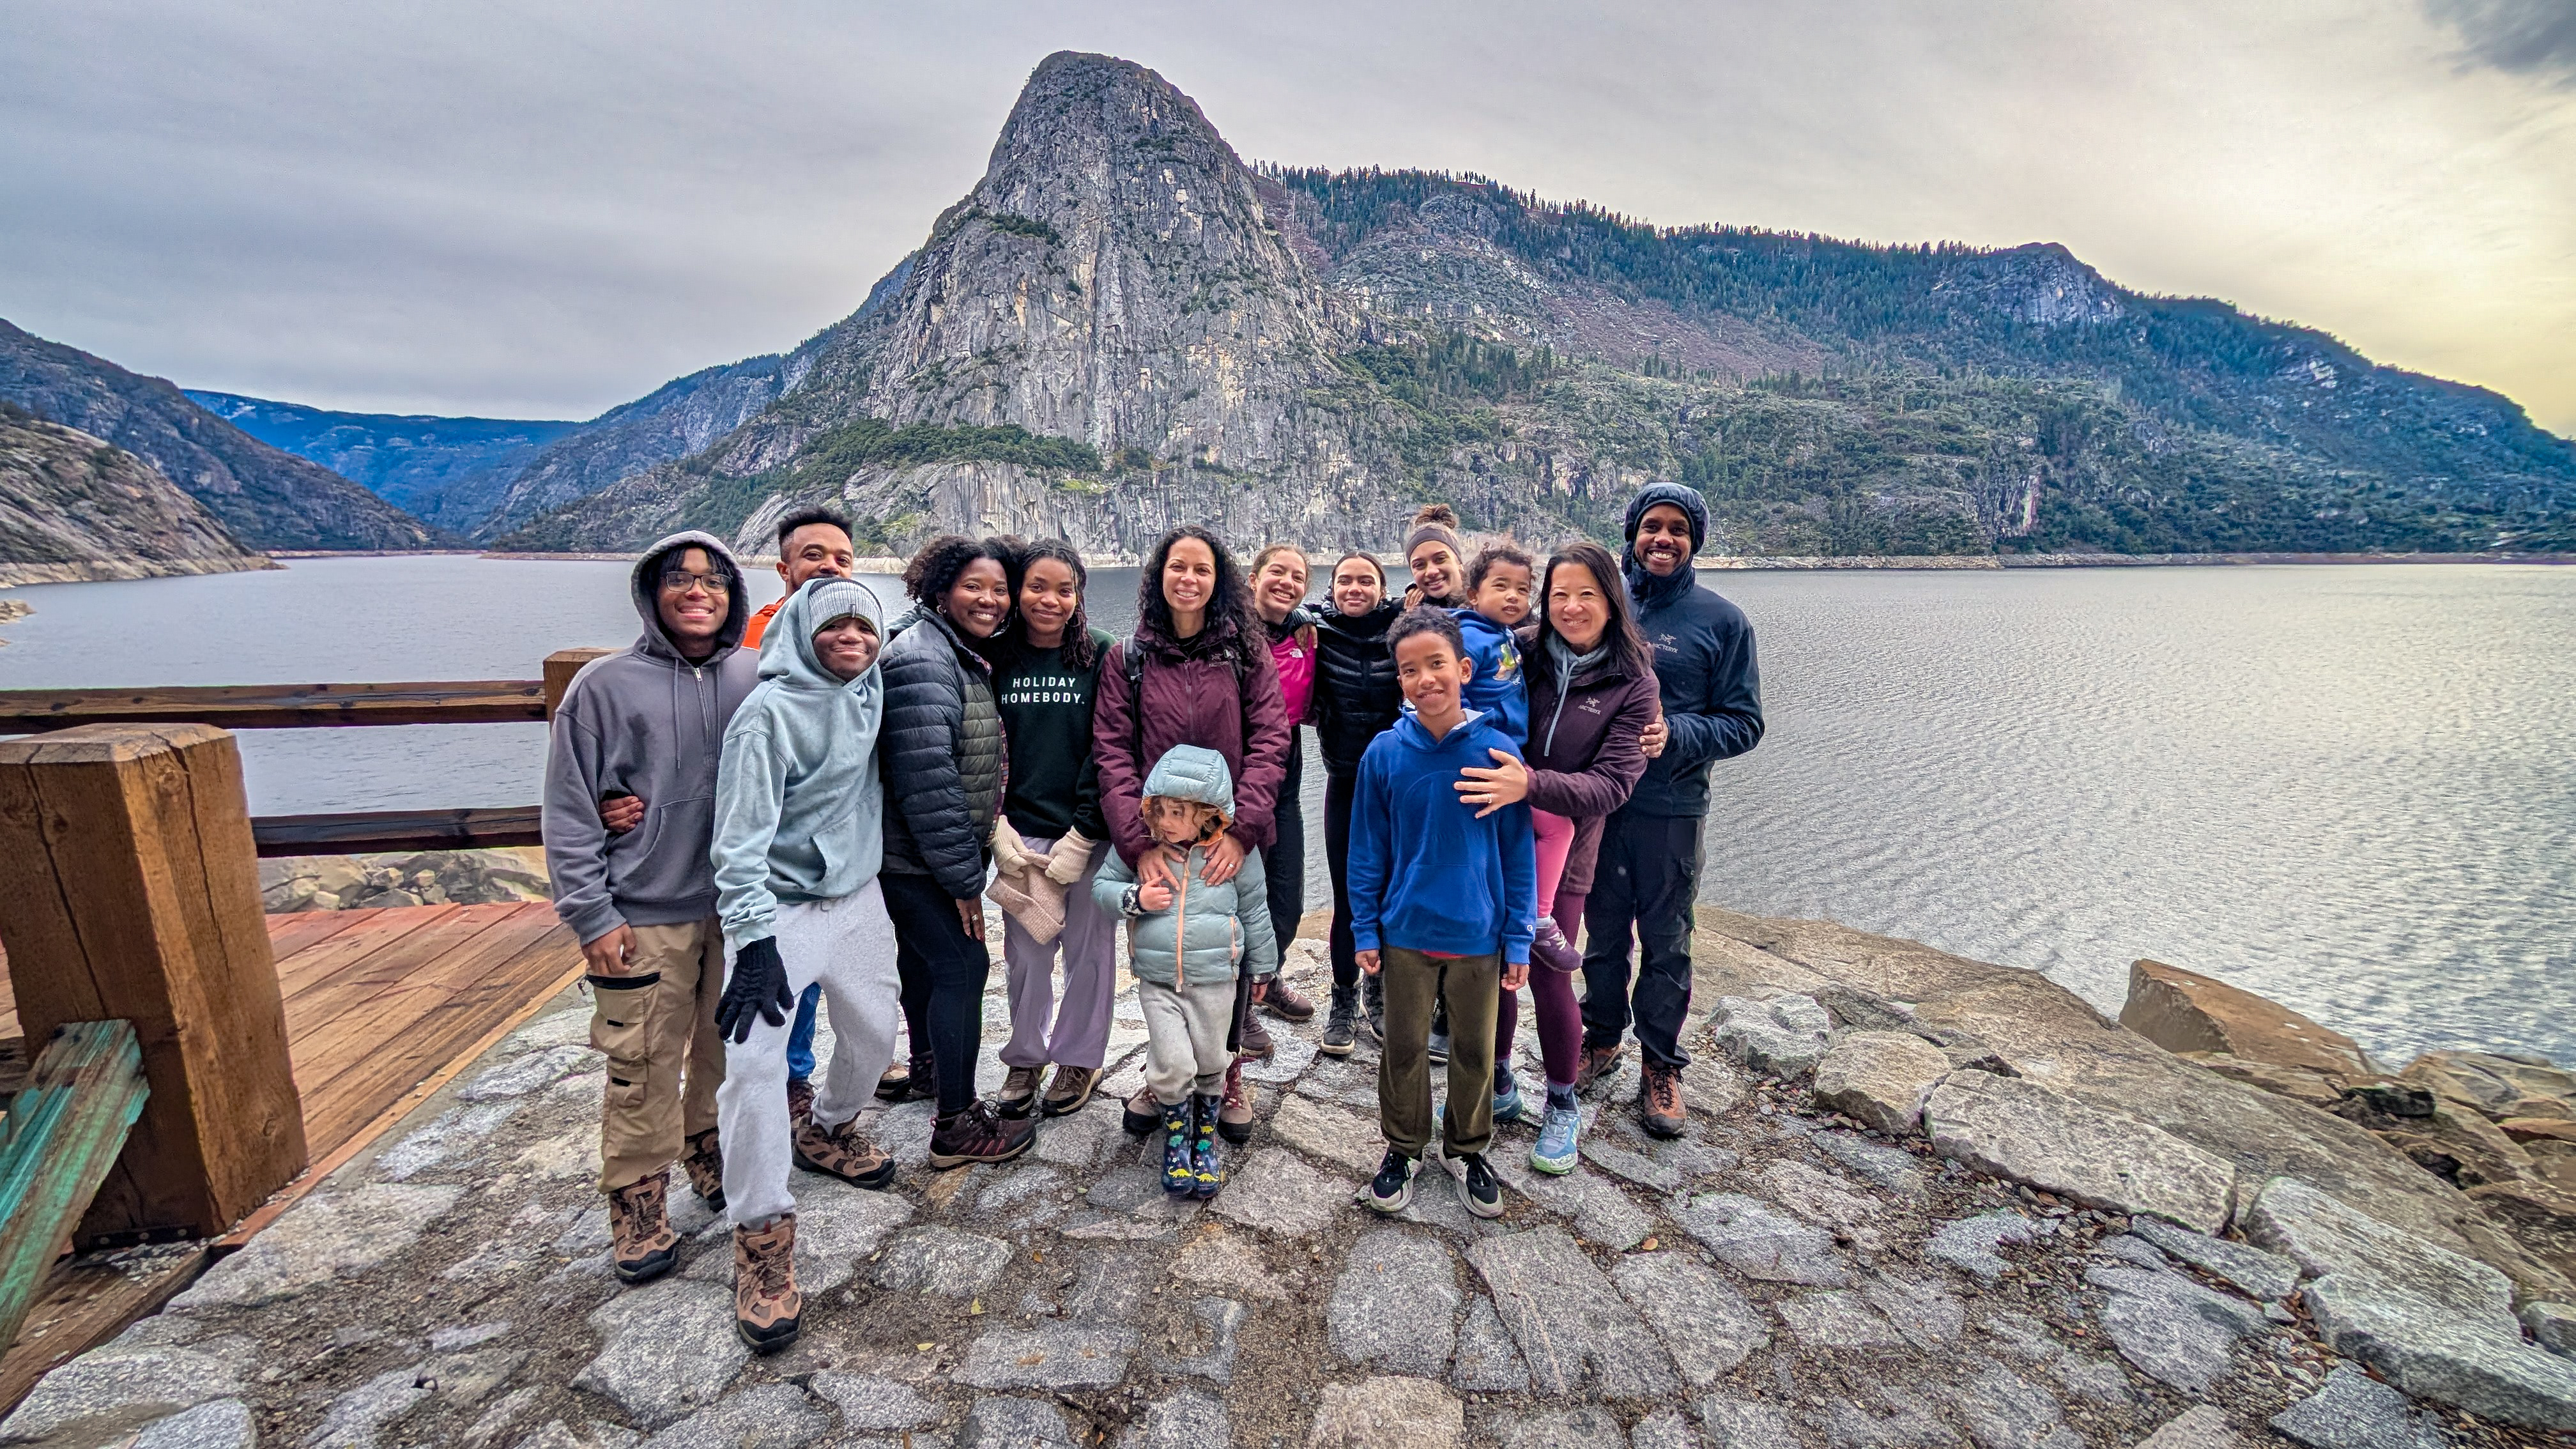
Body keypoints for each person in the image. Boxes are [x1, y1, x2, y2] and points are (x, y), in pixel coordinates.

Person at [542, 532, 756, 1284]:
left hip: (739, 907)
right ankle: (636, 1195)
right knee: (640, 1061)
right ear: (650, 593)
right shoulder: (601, 688)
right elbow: (570, 807)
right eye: (680, 579)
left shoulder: (755, 676)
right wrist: (592, 915)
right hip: (646, 910)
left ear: (734, 595)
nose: (698, 592)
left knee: (726, 1048)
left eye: (713, 580)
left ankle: (707, 1146)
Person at [706, 576, 901, 1353]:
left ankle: (827, 1128)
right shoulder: (766, 718)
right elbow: (738, 842)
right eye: (834, 626)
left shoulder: (869, 686)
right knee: (752, 1067)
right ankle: (760, 1235)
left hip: (857, 898)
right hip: (781, 911)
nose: (852, 638)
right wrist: (753, 941)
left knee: (876, 1037)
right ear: (801, 633)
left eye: (865, 626)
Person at [1453, 541, 1658, 1172]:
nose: (1570, 608)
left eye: (1586, 595)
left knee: (1546, 970)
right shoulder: (1526, 649)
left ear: (1611, 601)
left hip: (1564, 850)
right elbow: (1455, 641)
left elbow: (1612, 785)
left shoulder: (1633, 682)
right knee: (1492, 966)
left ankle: (1562, 1102)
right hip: (1490, 827)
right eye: (1559, 595)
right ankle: (1501, 1083)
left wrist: (1532, 784)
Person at [1577, 482, 1764, 1137]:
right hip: (1601, 804)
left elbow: (1745, 724)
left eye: (1678, 530)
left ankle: (1661, 1065)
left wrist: (1677, 734)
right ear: (1631, 533)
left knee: (1665, 940)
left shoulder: (1723, 622)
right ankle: (1599, 1039)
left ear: (1694, 542)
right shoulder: (1604, 604)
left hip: (1673, 807)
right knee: (1601, 932)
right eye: (1651, 526)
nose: (1663, 539)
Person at [1094, 526, 1291, 1146]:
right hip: (1160, 841)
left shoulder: (1244, 653)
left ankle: (1224, 1073)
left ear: (1218, 580)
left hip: (1224, 837)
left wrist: (1243, 830)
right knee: (1162, 958)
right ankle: (1166, 1075)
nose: (1189, 579)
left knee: (1222, 959)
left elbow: (1270, 740)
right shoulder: (1128, 658)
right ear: (1159, 577)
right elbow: (1112, 753)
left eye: (1201, 570)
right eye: (1178, 567)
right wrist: (1138, 842)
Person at [1351, 607, 1534, 1220]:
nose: (1425, 679)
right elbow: (1367, 850)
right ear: (1398, 680)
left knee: (1475, 1051)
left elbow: (1516, 854)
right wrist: (1365, 928)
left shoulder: (1497, 752)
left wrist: (1517, 938)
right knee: (1402, 1046)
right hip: (1405, 933)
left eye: (1436, 665)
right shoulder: (1384, 754)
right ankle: (1404, 1147)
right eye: (1409, 670)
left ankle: (1467, 1148)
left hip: (1479, 937)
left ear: (1463, 668)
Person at [878, 534, 1032, 1166]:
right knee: (963, 970)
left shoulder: (945, 647)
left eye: (1000, 590)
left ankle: (926, 1069)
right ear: (941, 588)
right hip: (917, 859)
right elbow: (929, 783)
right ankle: (958, 1123)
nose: (990, 600)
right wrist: (965, 880)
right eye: (975, 586)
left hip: (914, 855)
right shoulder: (922, 658)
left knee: (921, 965)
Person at [1094, 744, 1276, 1200]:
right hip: (1158, 981)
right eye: (1160, 810)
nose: (1167, 821)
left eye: (1180, 812)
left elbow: (1255, 909)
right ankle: (1176, 1141)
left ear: (1208, 814)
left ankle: (1203, 1140)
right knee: (1173, 1064)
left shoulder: (1233, 857)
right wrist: (1136, 900)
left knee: (1212, 1062)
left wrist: (1264, 968)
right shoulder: (1143, 853)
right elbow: (1102, 887)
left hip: (1217, 978)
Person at [988, 539, 1120, 1119]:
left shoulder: (1101, 655)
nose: (1050, 600)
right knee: (1026, 955)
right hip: (1020, 836)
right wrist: (995, 824)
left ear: (1078, 597)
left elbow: (1110, 747)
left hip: (1086, 833)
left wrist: (1086, 830)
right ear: (1018, 591)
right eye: (1037, 587)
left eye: (1064, 590)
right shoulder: (995, 658)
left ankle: (1078, 1058)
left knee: (1090, 953)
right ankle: (1025, 1055)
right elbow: (983, 745)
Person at [1308, 551, 1403, 1056]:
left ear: (1382, 588)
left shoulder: (1404, 626)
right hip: (1345, 779)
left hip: (1397, 786)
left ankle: (1380, 991)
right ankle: (1342, 999)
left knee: (1392, 894)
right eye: (1345, 580)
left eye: (1366, 580)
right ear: (1332, 587)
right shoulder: (1316, 628)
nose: (1355, 588)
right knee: (1348, 896)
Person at [1245, 543, 1320, 1048]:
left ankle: (1266, 979)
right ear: (1253, 577)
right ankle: (1237, 1009)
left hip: (1287, 768)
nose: (1287, 582)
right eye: (1277, 571)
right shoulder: (1224, 631)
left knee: (1286, 895)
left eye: (1298, 576)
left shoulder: (1308, 633)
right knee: (1234, 898)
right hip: (1236, 764)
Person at [1401, 503, 1467, 608]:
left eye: (1440, 559)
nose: (1431, 572)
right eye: (1419, 565)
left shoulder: (1485, 604)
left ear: (1459, 562)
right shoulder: (1410, 608)